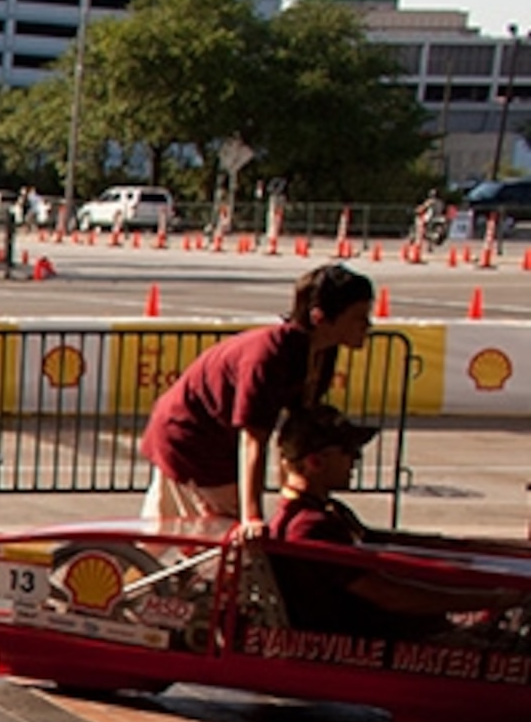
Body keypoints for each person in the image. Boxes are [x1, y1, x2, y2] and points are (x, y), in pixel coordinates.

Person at [137, 262, 375, 533]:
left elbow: (296, 433)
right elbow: (253, 439)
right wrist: (252, 517)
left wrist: (295, 502)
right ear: (320, 317)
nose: (368, 325)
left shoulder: (321, 352)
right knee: (233, 545)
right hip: (192, 439)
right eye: (358, 317)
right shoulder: (270, 356)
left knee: (156, 537)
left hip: (199, 439)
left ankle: (120, 570)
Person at [265, 405, 475, 635]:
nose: (356, 459)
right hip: (362, 643)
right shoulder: (309, 526)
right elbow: (389, 595)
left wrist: (458, 553)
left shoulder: (327, 511)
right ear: (315, 461)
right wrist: (483, 599)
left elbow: (384, 546)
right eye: (349, 450)